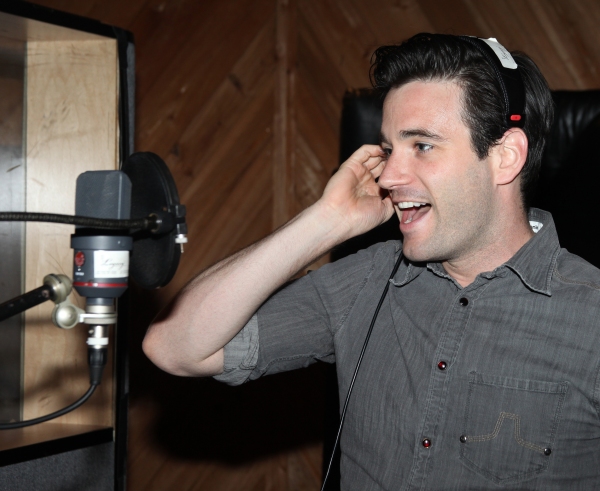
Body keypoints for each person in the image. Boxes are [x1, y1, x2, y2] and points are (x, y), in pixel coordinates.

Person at [143, 33, 600, 490]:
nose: (389, 176)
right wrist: (326, 221)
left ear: (504, 158)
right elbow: (174, 348)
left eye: (421, 145)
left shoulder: (591, 315)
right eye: (387, 150)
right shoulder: (367, 279)